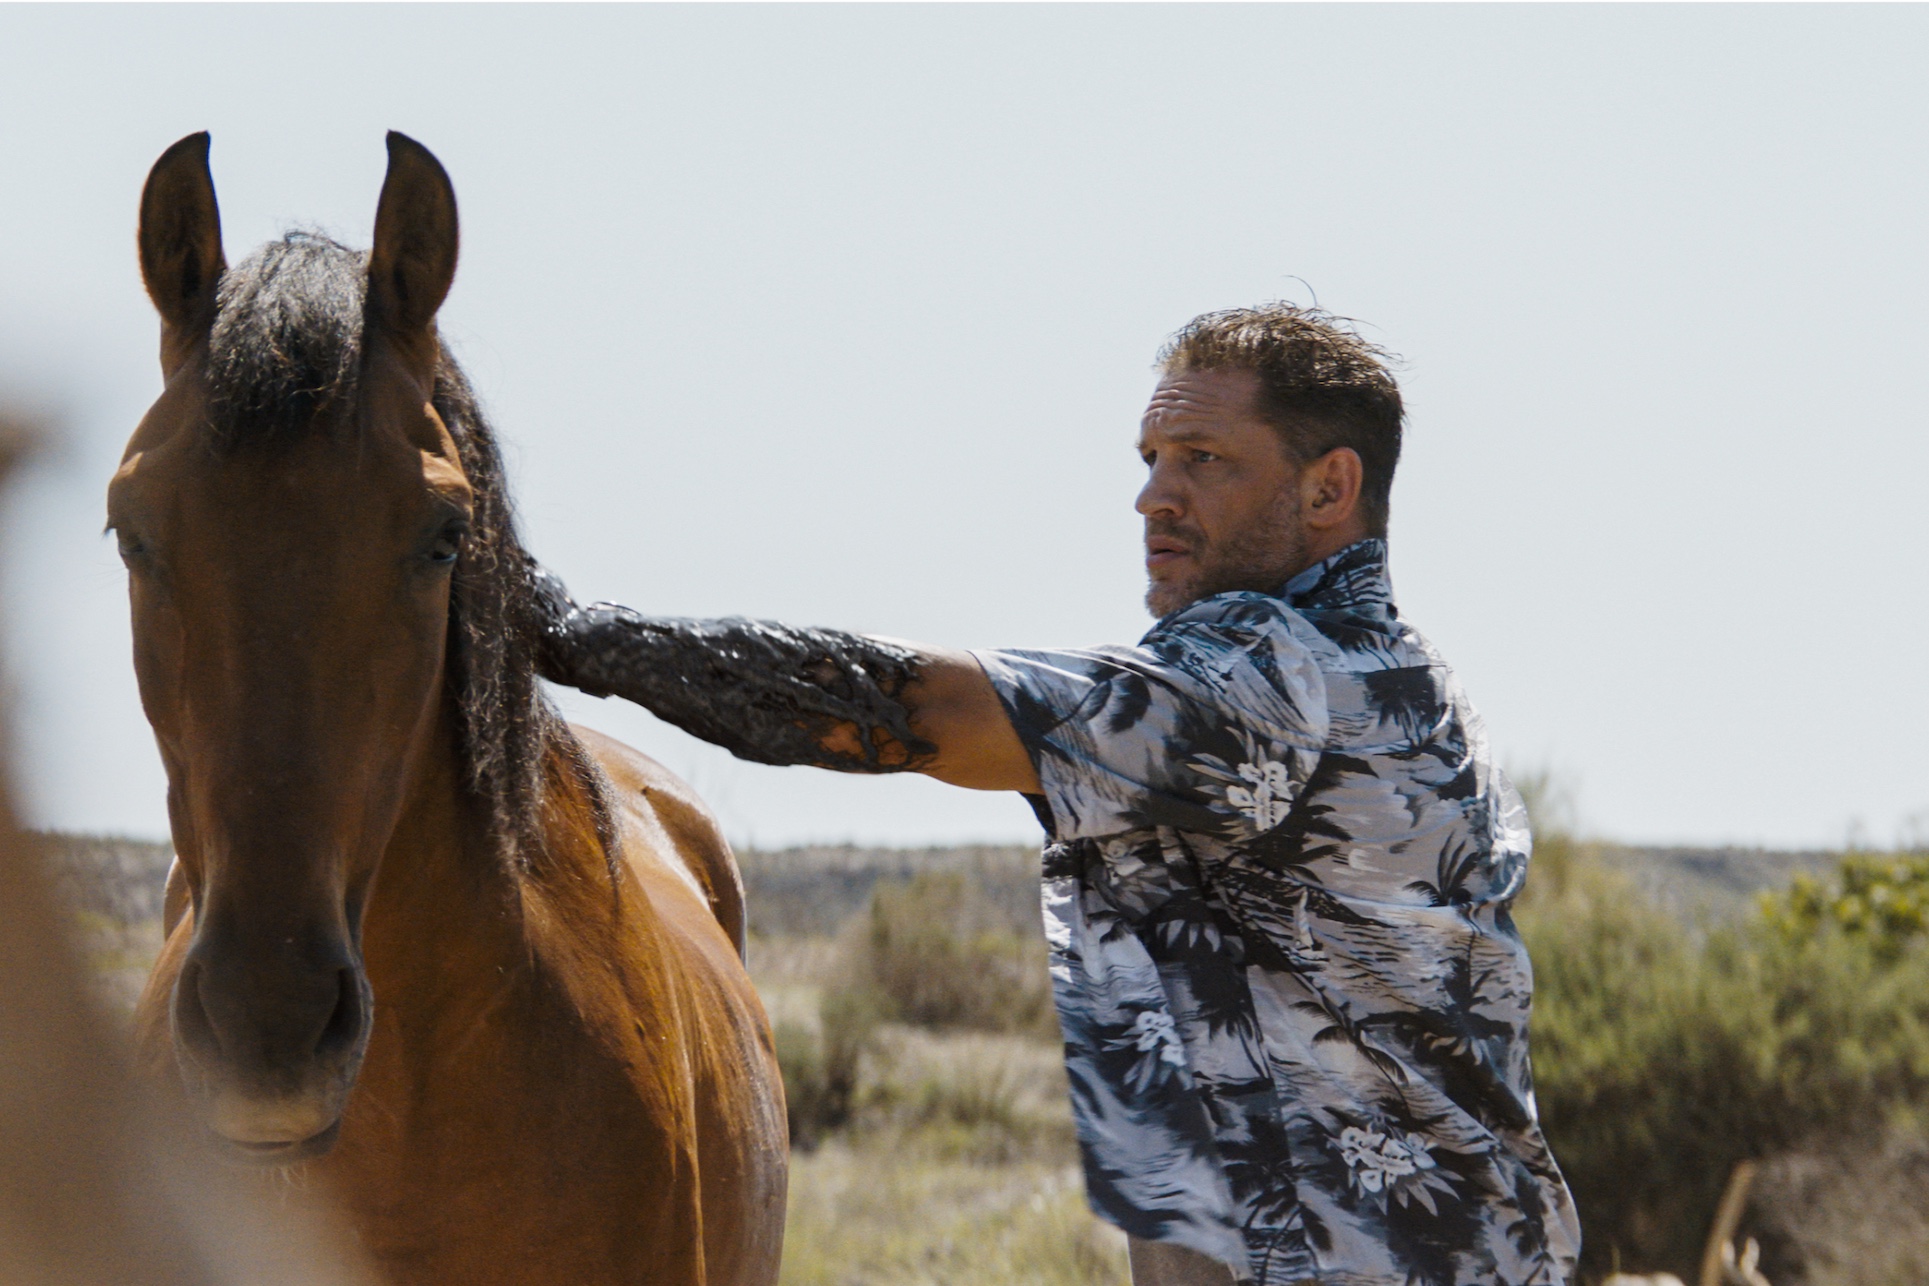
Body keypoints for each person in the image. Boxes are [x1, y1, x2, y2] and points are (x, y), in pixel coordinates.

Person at [531, 304, 1581, 1286]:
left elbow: (923, 710)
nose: (1153, 497)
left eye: (1203, 460)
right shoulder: (1405, 678)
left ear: (1326, 487)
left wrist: (575, 637)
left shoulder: (1276, 671)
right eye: (1151, 460)